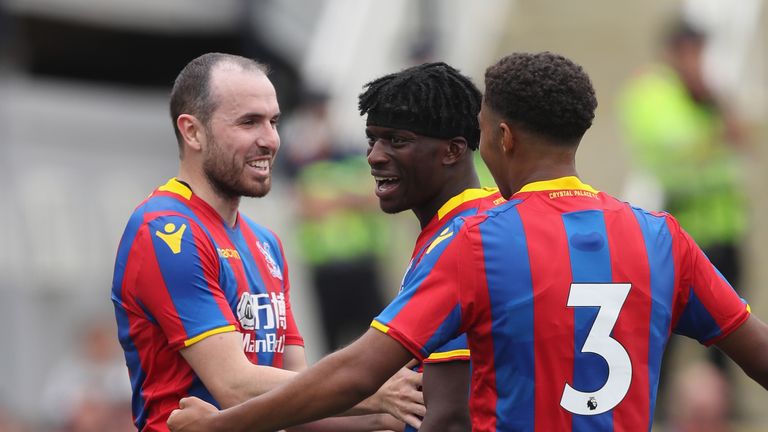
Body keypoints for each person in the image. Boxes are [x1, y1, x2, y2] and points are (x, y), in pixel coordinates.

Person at [166, 52, 768, 432]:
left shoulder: (479, 242)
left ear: (499, 137)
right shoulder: (661, 237)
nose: (376, 156)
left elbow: (386, 387)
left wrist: (223, 427)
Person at [110, 52, 423, 431]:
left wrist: (396, 415)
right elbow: (235, 386)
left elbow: (301, 406)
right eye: (249, 122)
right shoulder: (165, 231)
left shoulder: (265, 243)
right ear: (192, 131)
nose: (270, 140)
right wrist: (374, 392)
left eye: (273, 121)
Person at [359, 61, 505, 431]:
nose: (374, 155)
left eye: (397, 140)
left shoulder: (467, 237)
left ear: (453, 151)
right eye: (372, 139)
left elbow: (451, 414)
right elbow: (411, 411)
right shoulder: (469, 220)